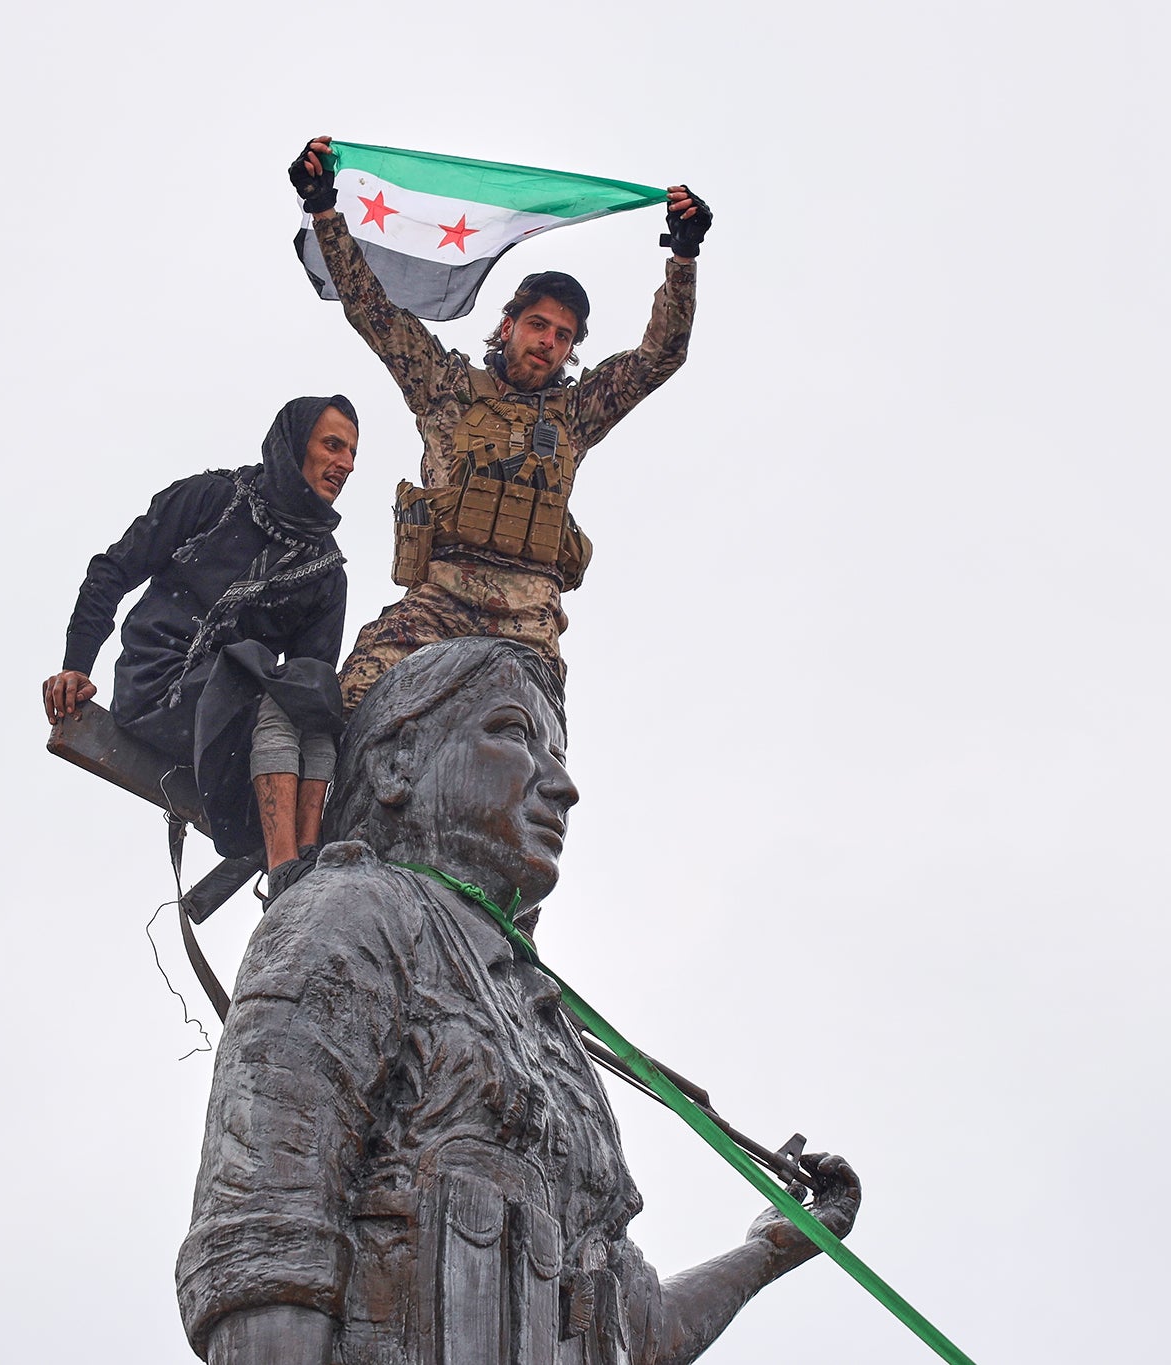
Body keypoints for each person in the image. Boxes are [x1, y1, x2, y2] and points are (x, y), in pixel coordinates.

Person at [176, 637, 861, 1365]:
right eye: (513, 732)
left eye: (558, 754)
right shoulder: (354, 914)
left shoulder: (546, 1032)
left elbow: (630, 1329)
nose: (561, 784)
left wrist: (771, 1246)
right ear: (395, 763)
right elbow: (262, 1249)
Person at [287, 135, 714, 712]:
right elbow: (372, 309)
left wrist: (682, 260)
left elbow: (660, 356)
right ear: (508, 324)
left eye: (563, 336)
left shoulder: (578, 413)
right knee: (354, 694)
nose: (549, 341)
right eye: (538, 324)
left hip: (529, 622)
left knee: (535, 752)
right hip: (438, 599)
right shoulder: (444, 385)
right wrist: (325, 213)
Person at [43, 395, 357, 896]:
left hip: (234, 730)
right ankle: (284, 870)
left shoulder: (325, 573)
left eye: (352, 456)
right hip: (157, 687)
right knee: (274, 692)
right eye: (333, 445)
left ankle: (307, 861)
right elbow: (111, 572)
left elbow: (310, 683)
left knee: (317, 704)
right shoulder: (213, 498)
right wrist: (76, 665)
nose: (344, 464)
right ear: (296, 445)